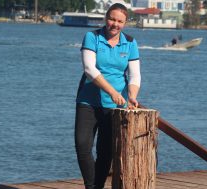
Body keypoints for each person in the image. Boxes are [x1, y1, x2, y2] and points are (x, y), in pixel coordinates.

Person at [74, 3, 141, 189]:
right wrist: (112, 91)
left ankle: (97, 187)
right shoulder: (92, 37)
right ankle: (92, 186)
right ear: (106, 18)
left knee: (105, 152)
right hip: (88, 100)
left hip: (114, 107)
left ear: (125, 23)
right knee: (82, 146)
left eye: (120, 21)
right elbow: (89, 69)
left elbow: (134, 75)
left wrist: (132, 96)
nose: (115, 24)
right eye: (112, 19)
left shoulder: (130, 42)